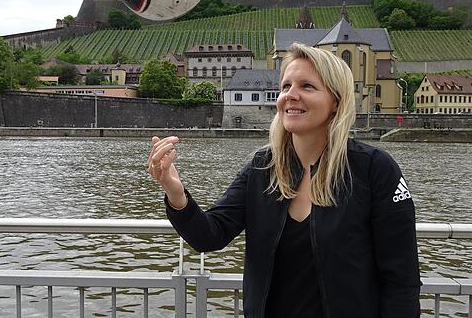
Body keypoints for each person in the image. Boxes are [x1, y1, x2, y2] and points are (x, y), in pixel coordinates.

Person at [147, 42, 421, 317]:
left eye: (307, 86)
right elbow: (210, 235)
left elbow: (401, 280)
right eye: (286, 86)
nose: (291, 95)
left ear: (336, 102)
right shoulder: (263, 168)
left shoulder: (374, 169)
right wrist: (176, 193)